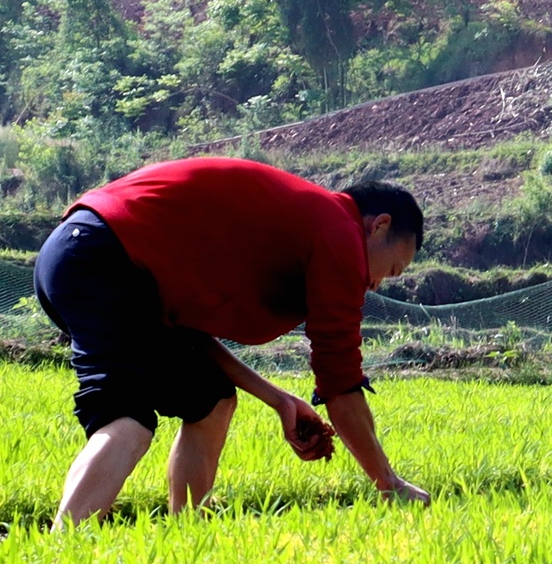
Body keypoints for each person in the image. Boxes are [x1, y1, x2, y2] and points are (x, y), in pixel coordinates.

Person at [33, 160, 431, 523]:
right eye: (392, 269)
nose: (377, 283)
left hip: (86, 255)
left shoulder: (305, 221)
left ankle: (187, 532)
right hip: (102, 259)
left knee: (210, 400)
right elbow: (340, 379)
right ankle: (61, 553)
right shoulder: (339, 233)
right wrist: (388, 482)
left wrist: (281, 400)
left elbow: (185, 332)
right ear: (378, 226)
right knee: (127, 418)